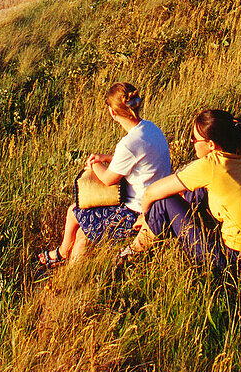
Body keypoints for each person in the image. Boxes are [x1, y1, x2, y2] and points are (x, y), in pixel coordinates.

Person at [123, 108, 241, 270]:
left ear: (211, 145)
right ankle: (156, 235)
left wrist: (144, 216)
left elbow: (151, 192)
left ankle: (129, 254)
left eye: (194, 139)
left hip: (234, 262)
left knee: (162, 203)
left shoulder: (210, 167)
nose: (191, 142)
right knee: (195, 190)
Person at [36, 82, 171, 272]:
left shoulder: (129, 143)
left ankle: (63, 255)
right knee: (80, 222)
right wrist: (106, 157)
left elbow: (109, 179)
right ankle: (64, 256)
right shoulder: (150, 128)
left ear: (112, 112)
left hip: (136, 212)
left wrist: (95, 163)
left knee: (75, 212)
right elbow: (136, 159)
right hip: (157, 203)